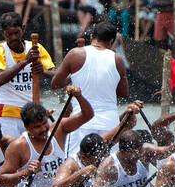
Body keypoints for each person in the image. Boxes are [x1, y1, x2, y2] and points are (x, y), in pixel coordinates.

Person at [51, 21, 129, 156]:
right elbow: (123, 93)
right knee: (106, 169)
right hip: (109, 123)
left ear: (91, 36)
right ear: (111, 42)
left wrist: (72, 77)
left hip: (81, 121)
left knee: (75, 167)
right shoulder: (118, 59)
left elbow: (55, 83)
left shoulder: (75, 54)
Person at [0, 12, 56, 138]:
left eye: (16, 33)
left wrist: (43, 72)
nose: (13, 37)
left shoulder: (36, 48)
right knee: (10, 152)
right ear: (3, 33)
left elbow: (56, 76)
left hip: (32, 115)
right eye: (9, 34)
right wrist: (24, 61)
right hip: (8, 113)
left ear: (23, 29)